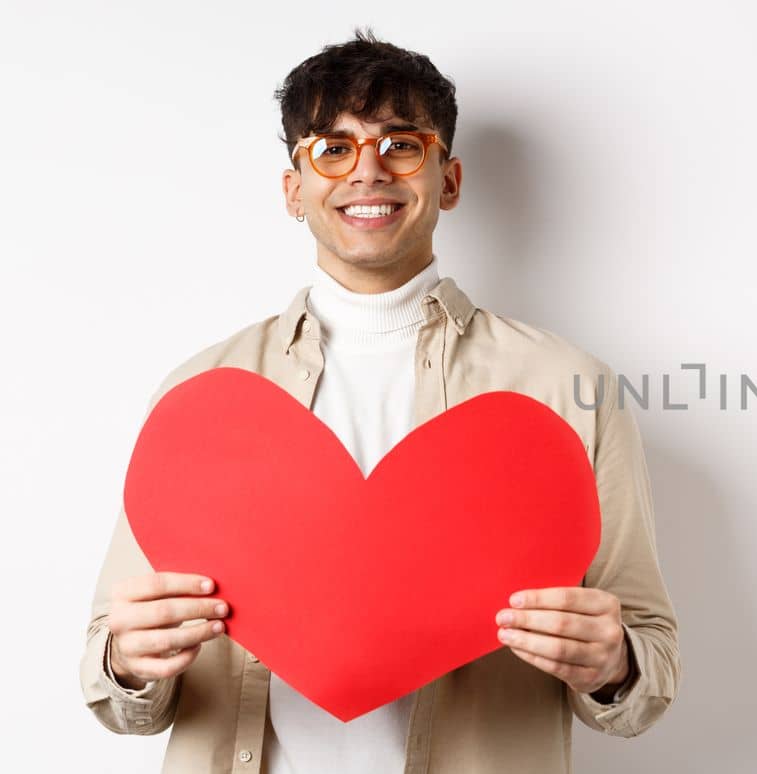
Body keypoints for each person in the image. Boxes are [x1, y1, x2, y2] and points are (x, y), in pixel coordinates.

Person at [79, 28, 681, 773]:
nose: (368, 171)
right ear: (294, 188)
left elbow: (649, 663)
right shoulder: (203, 398)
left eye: (401, 145)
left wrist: (613, 663)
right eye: (333, 147)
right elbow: (111, 682)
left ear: (449, 179)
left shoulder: (567, 392)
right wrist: (131, 661)